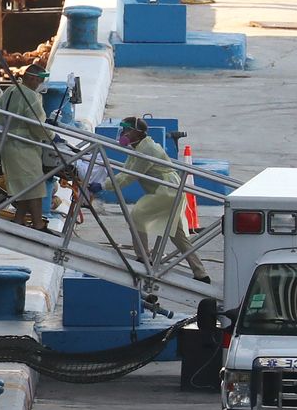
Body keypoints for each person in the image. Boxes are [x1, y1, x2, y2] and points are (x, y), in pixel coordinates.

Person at [89, 116, 211, 284]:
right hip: (169, 190)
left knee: (138, 216)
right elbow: (127, 169)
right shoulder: (140, 146)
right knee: (176, 234)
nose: (123, 133)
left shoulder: (146, 150)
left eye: (125, 130)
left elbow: (128, 177)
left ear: (135, 132)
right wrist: (106, 182)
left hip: (167, 191)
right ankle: (201, 273)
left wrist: (103, 186)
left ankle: (144, 257)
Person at [0, 63, 55, 232]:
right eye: (40, 81)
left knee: (24, 187)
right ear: (33, 78)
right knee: (35, 186)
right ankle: (38, 225)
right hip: (23, 146)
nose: (41, 85)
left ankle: (19, 220)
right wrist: (51, 136)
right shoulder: (30, 95)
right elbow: (37, 125)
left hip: (9, 144)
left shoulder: (11, 91)